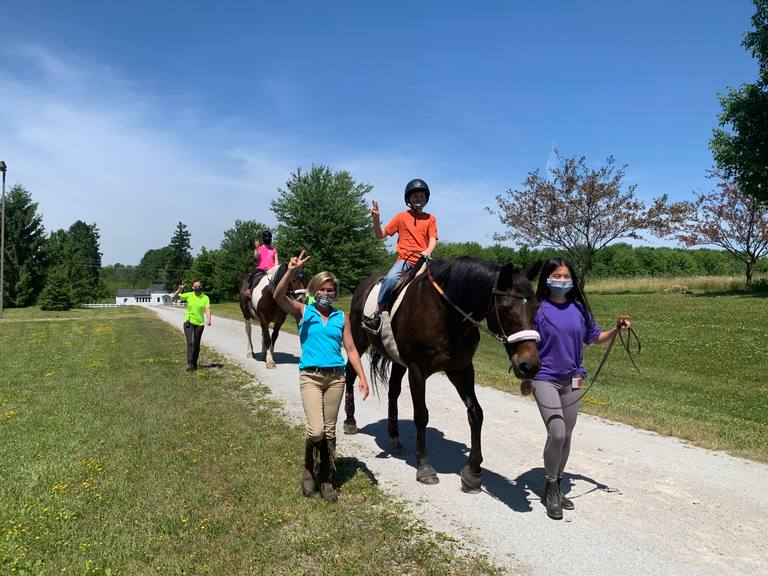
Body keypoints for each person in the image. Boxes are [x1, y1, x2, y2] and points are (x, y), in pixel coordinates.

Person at [530, 257, 630, 520]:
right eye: (556, 276)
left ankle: (557, 484)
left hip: (573, 379)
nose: (561, 281)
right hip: (545, 378)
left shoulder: (579, 309)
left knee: (568, 434)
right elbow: (525, 346)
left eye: (566, 276)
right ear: (546, 279)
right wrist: (524, 377)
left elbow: (595, 337)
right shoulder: (536, 310)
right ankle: (551, 487)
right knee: (557, 432)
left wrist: (616, 330)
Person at [274, 250, 369, 502]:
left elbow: (350, 349)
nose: (326, 294)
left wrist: (361, 376)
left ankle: (326, 478)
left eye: (331, 290)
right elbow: (277, 296)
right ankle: (308, 466)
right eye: (322, 289)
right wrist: (291, 271)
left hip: (336, 378)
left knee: (329, 431)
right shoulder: (303, 312)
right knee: (316, 431)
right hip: (311, 377)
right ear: (314, 290)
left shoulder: (341, 317)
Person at [363, 178, 438, 332]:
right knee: (390, 279)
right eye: (415, 196)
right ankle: (377, 313)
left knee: (439, 283)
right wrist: (376, 219)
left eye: (422, 196)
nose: (419, 199)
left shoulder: (431, 219)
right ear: (408, 199)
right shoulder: (401, 217)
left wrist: (427, 252)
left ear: (426, 199)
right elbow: (380, 235)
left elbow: (432, 239)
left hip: (424, 260)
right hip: (404, 260)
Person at [171, 280, 212, 372]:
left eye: (199, 286)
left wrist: (209, 319)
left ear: (201, 287)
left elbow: (208, 309)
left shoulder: (205, 298)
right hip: (189, 323)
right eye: (195, 286)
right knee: (190, 343)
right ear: (193, 287)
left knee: (196, 344)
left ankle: (194, 363)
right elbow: (174, 297)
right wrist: (179, 290)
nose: (197, 288)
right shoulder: (189, 295)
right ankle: (190, 364)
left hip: (200, 324)